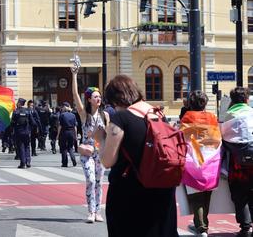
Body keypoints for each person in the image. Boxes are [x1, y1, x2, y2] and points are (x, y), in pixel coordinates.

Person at [98, 74, 178, 237]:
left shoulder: (121, 118)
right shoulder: (157, 115)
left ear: (115, 100)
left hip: (131, 194)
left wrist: (100, 139)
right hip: (163, 191)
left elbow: (107, 161)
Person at [180, 90, 222, 237]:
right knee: (206, 194)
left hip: (194, 160)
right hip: (211, 161)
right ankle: (204, 224)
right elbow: (217, 139)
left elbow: (184, 139)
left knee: (196, 196)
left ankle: (201, 227)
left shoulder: (187, 117)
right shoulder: (212, 117)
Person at [71, 67, 109, 223]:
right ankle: (90, 211)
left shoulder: (105, 115)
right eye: (95, 97)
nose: (98, 99)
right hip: (87, 153)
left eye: (99, 96)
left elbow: (109, 136)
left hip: (100, 153)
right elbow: (74, 95)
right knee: (91, 180)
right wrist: (74, 74)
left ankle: (98, 211)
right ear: (89, 99)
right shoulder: (84, 114)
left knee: (99, 182)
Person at [221, 87, 253, 237]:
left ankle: (245, 227)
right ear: (247, 100)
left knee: (240, 194)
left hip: (238, 164)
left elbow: (224, 138)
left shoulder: (229, 116)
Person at [10, 98, 36, 168]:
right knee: (27, 146)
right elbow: (33, 123)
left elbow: (12, 123)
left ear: (19, 103)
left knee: (21, 147)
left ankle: (23, 163)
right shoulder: (28, 111)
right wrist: (30, 130)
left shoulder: (16, 112)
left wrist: (12, 130)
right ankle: (28, 162)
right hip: (27, 132)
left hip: (18, 132)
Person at [57, 102, 77, 167]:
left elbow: (60, 126)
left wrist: (58, 135)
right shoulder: (73, 115)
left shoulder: (62, 115)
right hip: (71, 132)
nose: (62, 108)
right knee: (70, 147)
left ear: (64, 107)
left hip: (64, 132)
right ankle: (73, 159)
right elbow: (75, 126)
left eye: (62, 107)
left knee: (63, 148)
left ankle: (64, 163)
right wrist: (75, 135)